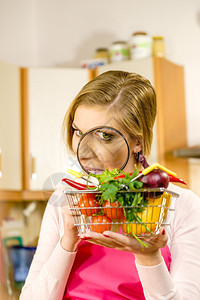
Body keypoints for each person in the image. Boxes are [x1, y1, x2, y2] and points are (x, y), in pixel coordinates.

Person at [20, 71, 200, 299]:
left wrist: (148, 257)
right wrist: (67, 242)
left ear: (138, 141)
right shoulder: (68, 198)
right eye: (78, 132)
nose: (83, 152)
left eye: (104, 135)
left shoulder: (181, 206)